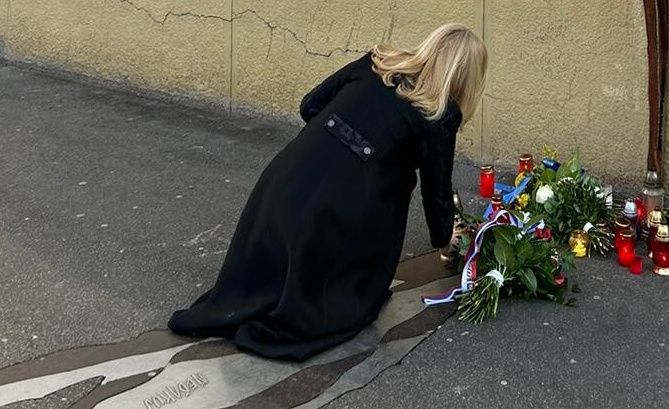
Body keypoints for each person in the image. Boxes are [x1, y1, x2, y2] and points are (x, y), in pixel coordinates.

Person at [168, 23, 487, 360]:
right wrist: (450, 237)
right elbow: (436, 195)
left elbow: (309, 106)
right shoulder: (439, 113)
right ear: (466, 79)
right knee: (343, 279)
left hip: (284, 182)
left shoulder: (376, 63)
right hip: (336, 211)